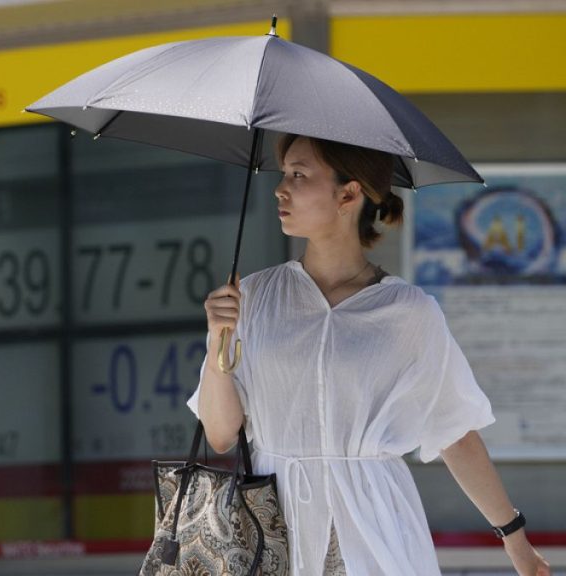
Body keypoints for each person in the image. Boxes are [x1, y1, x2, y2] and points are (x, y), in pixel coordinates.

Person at [187, 134, 552, 576]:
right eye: (284, 174)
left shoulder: (409, 311)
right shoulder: (255, 297)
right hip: (272, 523)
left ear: (349, 193)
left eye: (299, 175)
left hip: (375, 527)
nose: (280, 188)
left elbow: (455, 434)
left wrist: (515, 540)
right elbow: (221, 434)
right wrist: (217, 340)